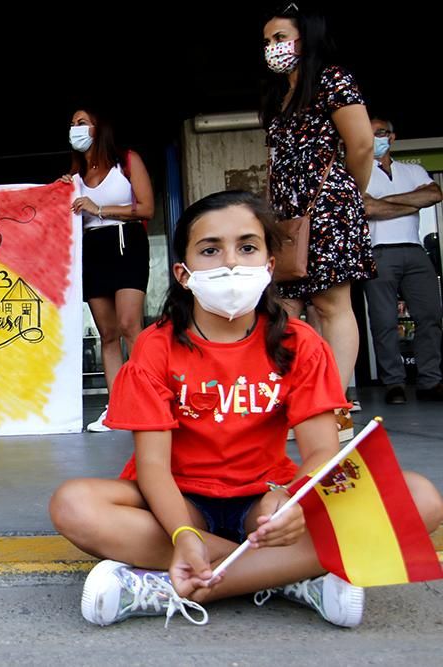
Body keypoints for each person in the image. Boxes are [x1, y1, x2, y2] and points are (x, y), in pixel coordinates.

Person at [48, 191, 443, 628]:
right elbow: (153, 468)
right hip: (180, 504)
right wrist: (182, 534)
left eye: (248, 247)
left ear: (269, 266)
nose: (231, 262)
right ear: (183, 273)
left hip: (266, 500)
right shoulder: (154, 347)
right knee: (74, 504)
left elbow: (319, 453)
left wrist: (291, 500)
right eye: (210, 249)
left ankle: (174, 586)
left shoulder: (300, 342)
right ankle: (294, 574)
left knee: (420, 498)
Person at [262, 5, 375, 440]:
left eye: (280, 38)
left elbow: (361, 144)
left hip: (328, 206)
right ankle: (301, 402)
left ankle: (336, 408)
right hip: (287, 216)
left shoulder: (332, 79)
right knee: (285, 310)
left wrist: (350, 195)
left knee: (331, 305)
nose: (272, 48)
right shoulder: (279, 95)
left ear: (304, 39)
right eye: (267, 41)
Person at [61, 107, 154, 432]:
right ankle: (116, 408)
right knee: (108, 334)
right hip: (93, 248)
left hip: (125, 241)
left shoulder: (126, 161)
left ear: (99, 127)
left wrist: (99, 208)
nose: (75, 128)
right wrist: (60, 194)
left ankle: (146, 399)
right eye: (72, 124)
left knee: (131, 325)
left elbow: (147, 208)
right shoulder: (74, 177)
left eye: (82, 122)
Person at [363, 116, 443, 403]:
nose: (376, 138)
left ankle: (430, 381)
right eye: (370, 133)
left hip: (414, 249)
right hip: (378, 251)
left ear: (392, 137)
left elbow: (435, 194)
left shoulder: (413, 170)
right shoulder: (359, 172)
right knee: (384, 321)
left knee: (430, 316)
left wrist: (383, 203)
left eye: (381, 133)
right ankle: (393, 383)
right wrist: (411, 202)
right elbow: (367, 208)